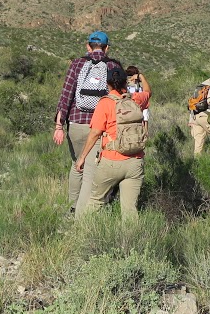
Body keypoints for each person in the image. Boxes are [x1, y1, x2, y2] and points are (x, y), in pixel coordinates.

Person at [54, 31, 122, 210]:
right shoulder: (113, 66)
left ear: (87, 46)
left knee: (77, 164)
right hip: (99, 128)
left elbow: (66, 96)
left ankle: (72, 207)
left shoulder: (77, 64)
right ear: (107, 48)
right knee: (91, 171)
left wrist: (58, 125)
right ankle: (83, 216)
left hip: (76, 124)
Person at [73, 65, 149, 216]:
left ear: (107, 84)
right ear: (125, 83)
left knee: (96, 201)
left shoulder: (105, 103)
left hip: (111, 161)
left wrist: (82, 158)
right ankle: (132, 238)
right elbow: (148, 92)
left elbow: (95, 133)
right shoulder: (136, 99)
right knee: (130, 211)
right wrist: (141, 77)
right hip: (135, 161)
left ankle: (81, 232)